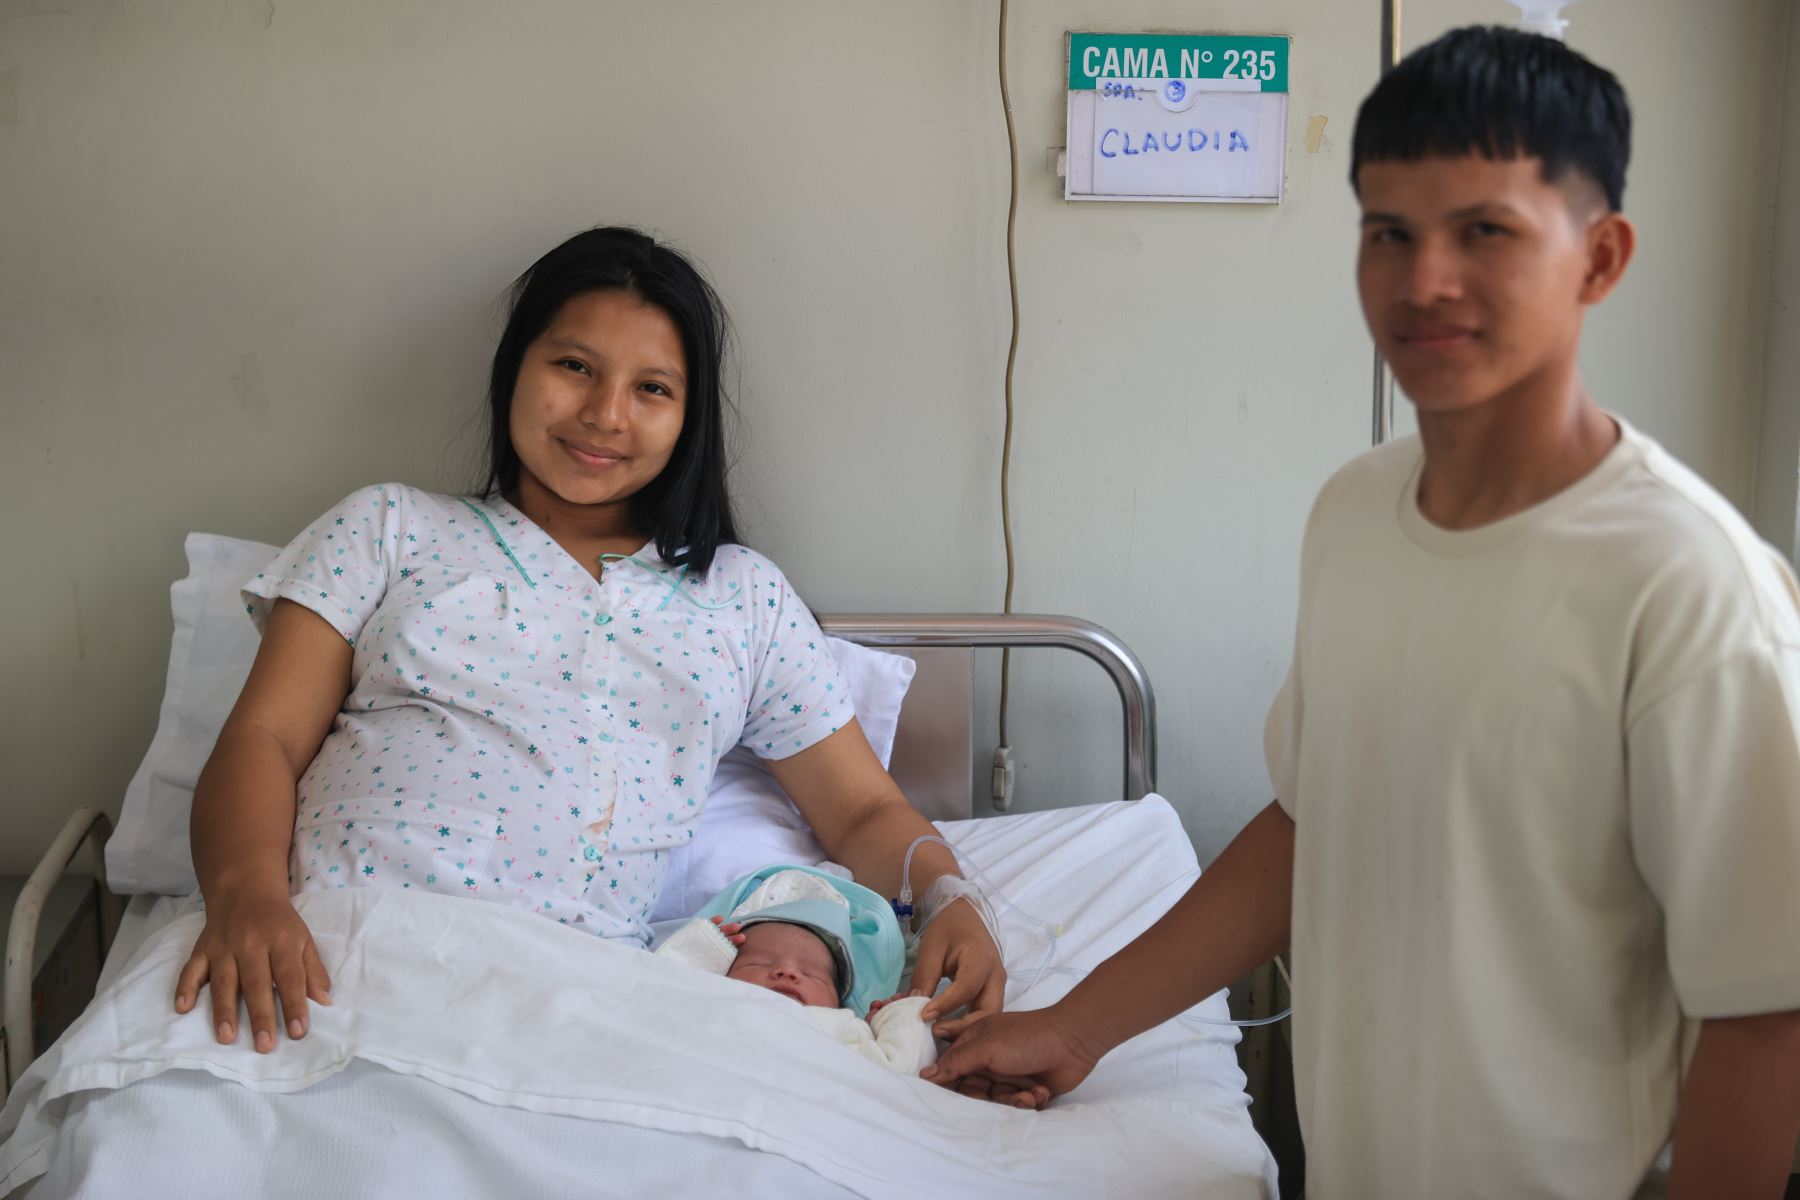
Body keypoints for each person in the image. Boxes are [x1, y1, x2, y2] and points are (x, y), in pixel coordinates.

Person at [926, 26, 1800, 1198]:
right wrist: (1075, 1028)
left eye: (1485, 231)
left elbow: (1766, 1011)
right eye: (1390, 232)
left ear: (1599, 257)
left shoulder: (1686, 586)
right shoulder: (1357, 512)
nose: (1424, 279)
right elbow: (1308, 821)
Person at [171, 227, 1003, 1057]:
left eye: (652, 388)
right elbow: (264, 737)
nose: (605, 415)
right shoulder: (389, 528)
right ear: (516, 368)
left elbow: (863, 811)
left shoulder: (741, 599)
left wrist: (952, 900)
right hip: (329, 951)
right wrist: (247, 896)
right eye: (574, 366)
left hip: (581, 999)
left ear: (689, 417)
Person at [655, 865, 938, 1075]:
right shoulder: (710, 1002)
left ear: (840, 1001)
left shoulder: (845, 1029)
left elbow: (902, 1071)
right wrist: (703, 950)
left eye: (812, 973)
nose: (787, 971)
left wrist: (898, 1018)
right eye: (759, 962)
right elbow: (655, 991)